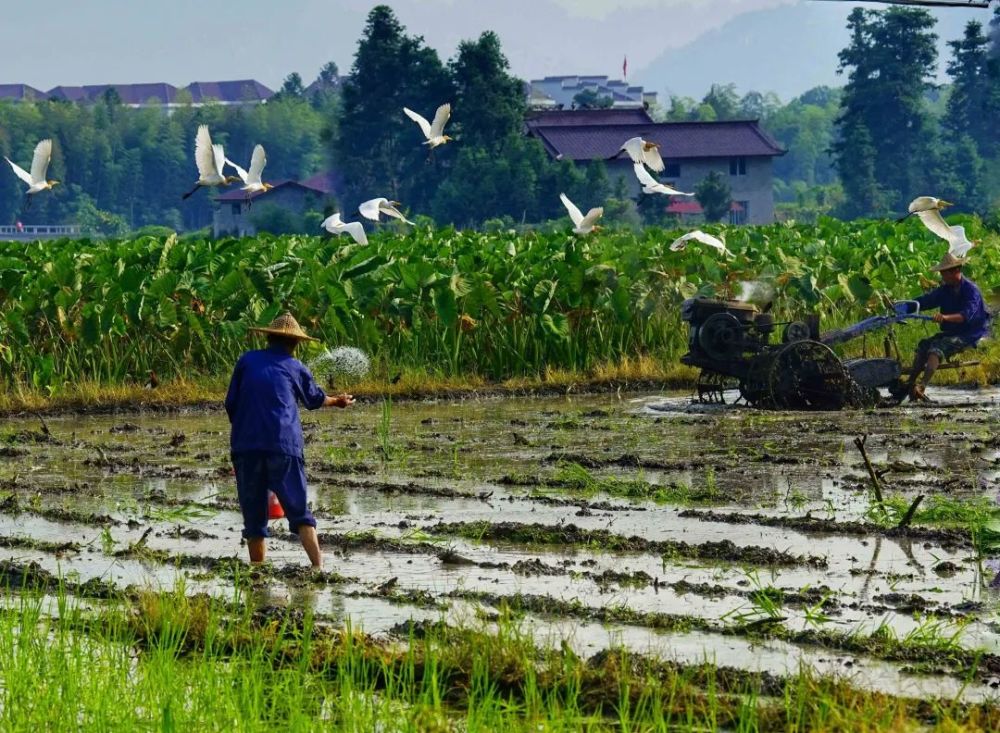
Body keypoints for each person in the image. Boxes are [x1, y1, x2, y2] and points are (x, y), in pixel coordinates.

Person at [225, 312, 354, 568]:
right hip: (283, 447)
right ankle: (318, 568)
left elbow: (231, 404)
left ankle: (257, 576)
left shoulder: (247, 360)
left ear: (269, 338)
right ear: (295, 344)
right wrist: (337, 401)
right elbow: (314, 399)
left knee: (254, 520)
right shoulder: (295, 367)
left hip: (246, 446)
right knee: (299, 512)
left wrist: (246, 432)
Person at [894, 252, 990, 401]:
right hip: (952, 331)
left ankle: (922, 386)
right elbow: (925, 301)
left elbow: (965, 316)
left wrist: (944, 317)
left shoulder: (971, 291)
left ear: (955, 271)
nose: (942, 277)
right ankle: (910, 383)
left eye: (943, 273)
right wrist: (903, 308)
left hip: (969, 334)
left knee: (936, 349)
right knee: (923, 346)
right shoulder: (945, 290)